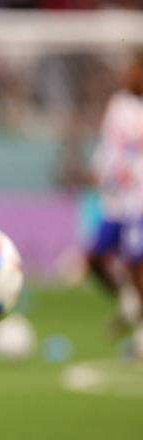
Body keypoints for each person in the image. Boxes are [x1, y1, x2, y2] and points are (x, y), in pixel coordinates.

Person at [90, 50, 143, 353]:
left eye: (134, 70)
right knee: (94, 258)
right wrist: (98, 169)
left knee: (137, 263)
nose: (128, 76)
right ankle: (128, 302)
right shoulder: (119, 105)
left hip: (140, 199)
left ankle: (140, 329)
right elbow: (110, 145)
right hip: (115, 198)